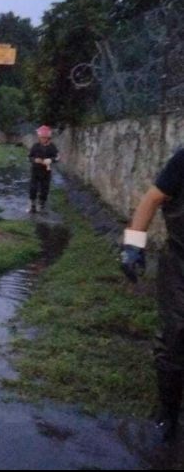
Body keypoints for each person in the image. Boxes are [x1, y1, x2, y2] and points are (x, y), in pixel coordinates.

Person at [122, 148, 184, 443]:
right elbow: (153, 198)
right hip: (181, 264)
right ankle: (168, 412)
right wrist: (133, 245)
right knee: (176, 335)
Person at [28, 125, 59, 213]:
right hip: (35, 170)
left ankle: (42, 203)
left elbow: (57, 157)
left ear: (48, 137)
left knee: (45, 188)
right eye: (41, 137)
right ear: (39, 137)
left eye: (45, 138)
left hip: (46, 171)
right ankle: (32, 204)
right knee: (33, 187)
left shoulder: (52, 147)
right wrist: (34, 160)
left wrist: (51, 159)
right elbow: (29, 157)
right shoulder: (35, 146)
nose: (43, 139)